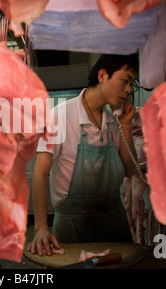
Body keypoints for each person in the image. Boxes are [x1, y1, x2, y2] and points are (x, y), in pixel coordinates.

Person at [28, 53, 139, 256]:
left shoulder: (114, 120)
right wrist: (41, 228)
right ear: (103, 75)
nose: (128, 90)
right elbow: (40, 173)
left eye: (131, 84)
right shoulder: (60, 116)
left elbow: (130, 169)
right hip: (72, 223)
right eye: (125, 81)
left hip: (113, 221)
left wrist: (125, 126)